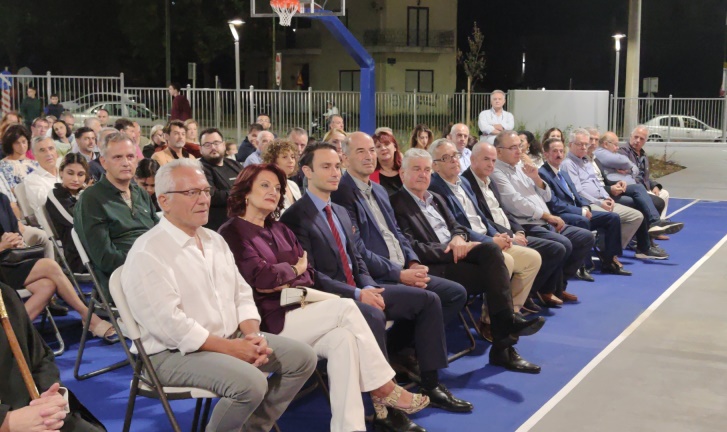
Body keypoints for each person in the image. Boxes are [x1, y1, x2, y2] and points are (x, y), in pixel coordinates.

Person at [219, 163, 429, 432]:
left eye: (278, 188)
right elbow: (262, 279)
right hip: (270, 321)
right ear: (246, 191)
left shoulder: (280, 229)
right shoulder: (232, 232)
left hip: (304, 306)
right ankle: (384, 387)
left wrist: (287, 275)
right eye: (264, 185)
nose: (273, 191)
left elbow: (307, 274)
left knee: (343, 340)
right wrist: (293, 270)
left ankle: (350, 428)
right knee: (347, 308)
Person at [122, 159, 317, 432]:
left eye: (205, 191)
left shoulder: (214, 240)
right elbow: (171, 326)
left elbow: (241, 293)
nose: (204, 200)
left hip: (229, 337)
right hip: (170, 354)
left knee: (303, 358)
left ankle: (251, 428)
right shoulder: (149, 252)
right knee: (251, 383)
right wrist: (231, 348)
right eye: (192, 192)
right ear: (164, 201)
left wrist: (252, 335)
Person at [280, 143, 474, 413]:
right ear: (307, 172)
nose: (335, 173)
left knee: (429, 300)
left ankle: (431, 383)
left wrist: (369, 286)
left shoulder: (339, 211)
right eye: (326, 167)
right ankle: (386, 405)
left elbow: (358, 258)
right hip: (331, 298)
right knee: (373, 314)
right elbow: (312, 275)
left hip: (363, 287)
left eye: (337, 166)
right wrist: (358, 293)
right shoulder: (295, 217)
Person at [390, 148, 545, 373]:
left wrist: (458, 239)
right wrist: (451, 249)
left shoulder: (436, 198)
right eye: (416, 169)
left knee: (491, 251)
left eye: (426, 169)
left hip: (457, 254)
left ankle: (504, 332)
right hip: (436, 264)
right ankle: (504, 340)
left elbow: (458, 226)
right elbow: (411, 246)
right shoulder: (396, 203)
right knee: (495, 271)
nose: (423, 174)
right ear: (402, 174)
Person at [332, 132, 468, 326]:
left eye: (371, 150)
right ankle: (407, 342)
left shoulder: (379, 190)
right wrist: (399, 274)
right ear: (345, 159)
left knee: (456, 293)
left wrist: (412, 262)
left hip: (402, 267)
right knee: (431, 300)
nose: (369, 156)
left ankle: (406, 341)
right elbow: (357, 249)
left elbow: (397, 232)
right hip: (378, 276)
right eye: (361, 151)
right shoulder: (341, 193)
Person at [426, 138, 543, 315]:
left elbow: (482, 217)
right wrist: (490, 240)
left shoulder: (463, 182)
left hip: (488, 237)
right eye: (446, 158)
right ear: (435, 166)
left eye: (455, 155)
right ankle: (492, 318)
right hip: (470, 244)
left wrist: (498, 235)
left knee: (532, 259)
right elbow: (456, 227)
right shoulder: (434, 189)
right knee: (505, 260)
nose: (454, 160)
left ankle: (512, 310)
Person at [490, 130, 594, 306]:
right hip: (526, 223)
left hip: (544, 220)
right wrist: (547, 216)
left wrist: (536, 178)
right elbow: (515, 203)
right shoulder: (497, 172)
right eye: (513, 148)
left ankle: (558, 286)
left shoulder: (520, 167)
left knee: (585, 237)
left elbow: (546, 196)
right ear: (499, 151)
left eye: (520, 146)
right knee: (562, 245)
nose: (519, 151)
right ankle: (534, 290)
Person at [462, 142, 566, 315]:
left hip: (510, 231)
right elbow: (483, 220)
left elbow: (504, 211)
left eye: (493, 160)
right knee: (553, 248)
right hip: (493, 237)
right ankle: (506, 311)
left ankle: (516, 306)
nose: (491, 164)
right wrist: (507, 236)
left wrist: (518, 231)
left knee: (556, 248)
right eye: (486, 159)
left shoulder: (489, 181)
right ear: (473, 160)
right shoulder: (467, 183)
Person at [1, 191, 116, 341]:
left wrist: (18, 241)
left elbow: (15, 230)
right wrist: (2, 246)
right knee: (50, 266)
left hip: (10, 261)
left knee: (47, 286)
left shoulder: (2, 199)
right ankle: (88, 316)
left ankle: (11, 333)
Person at [0, 281, 107, 432]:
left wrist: (50, 396)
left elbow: (40, 358)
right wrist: (8, 422)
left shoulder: (5, 295)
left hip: (35, 411)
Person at [74, 132, 158, 301]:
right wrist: (146, 264)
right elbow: (105, 258)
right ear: (103, 162)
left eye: (130, 156)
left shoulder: (141, 193)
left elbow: (159, 233)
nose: (126, 162)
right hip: (123, 279)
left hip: (156, 270)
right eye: (118, 157)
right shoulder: (91, 199)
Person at [559, 128, 665, 263]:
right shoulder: (569, 164)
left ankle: (610, 249)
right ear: (570, 145)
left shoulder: (586, 161)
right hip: (588, 204)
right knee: (630, 206)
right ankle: (612, 254)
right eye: (580, 144)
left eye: (586, 144)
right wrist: (601, 201)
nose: (585, 147)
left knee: (637, 216)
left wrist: (606, 196)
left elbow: (597, 183)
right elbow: (578, 192)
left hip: (604, 197)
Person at [538, 137, 630, 275]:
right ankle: (582, 265)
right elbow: (555, 204)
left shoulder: (562, 173)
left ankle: (609, 260)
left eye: (561, 151)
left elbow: (576, 195)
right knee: (582, 220)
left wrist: (585, 206)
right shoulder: (543, 174)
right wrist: (581, 211)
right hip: (559, 215)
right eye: (555, 151)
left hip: (575, 210)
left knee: (612, 218)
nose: (559, 154)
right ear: (546, 154)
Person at [594, 131, 682, 244]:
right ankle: (649, 233)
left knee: (659, 199)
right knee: (645, 198)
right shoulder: (603, 152)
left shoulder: (641, 154)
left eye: (642, 139)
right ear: (606, 144)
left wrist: (652, 183)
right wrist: (630, 167)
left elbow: (638, 172)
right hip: (616, 187)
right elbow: (624, 162)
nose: (617, 148)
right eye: (615, 145)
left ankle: (651, 234)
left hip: (627, 186)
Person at [46, 153, 91, 274]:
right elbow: (73, 219)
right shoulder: (55, 194)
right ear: (61, 172)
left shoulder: (83, 194)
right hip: (78, 255)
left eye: (80, 174)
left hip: (94, 247)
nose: (75, 179)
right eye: (70, 173)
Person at [620, 125, 672, 218]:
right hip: (635, 188)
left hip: (644, 187)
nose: (638, 140)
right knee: (657, 200)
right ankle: (655, 222)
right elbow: (629, 175)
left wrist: (654, 185)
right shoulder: (623, 152)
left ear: (645, 141)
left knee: (664, 194)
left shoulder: (643, 154)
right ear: (631, 136)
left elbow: (644, 176)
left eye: (641, 139)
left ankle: (660, 222)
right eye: (636, 137)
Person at [198, 128, 243, 230]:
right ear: (200, 149)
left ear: (223, 145)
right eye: (207, 145)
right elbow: (212, 195)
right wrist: (241, 193)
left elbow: (251, 184)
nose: (213, 147)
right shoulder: (199, 168)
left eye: (216, 143)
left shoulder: (234, 165)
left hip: (243, 220)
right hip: (219, 226)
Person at [261, 139, 301, 213]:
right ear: (273, 161)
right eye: (285, 157)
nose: (291, 161)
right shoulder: (268, 187)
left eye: (292, 157)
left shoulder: (293, 185)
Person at [24, 137, 61, 213]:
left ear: (56, 152)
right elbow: (49, 203)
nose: (48, 153)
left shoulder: (66, 172)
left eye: (51, 148)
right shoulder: (32, 180)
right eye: (42, 150)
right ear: (34, 156)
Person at [0, 124, 39, 190]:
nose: (22, 146)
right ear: (10, 144)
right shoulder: (3, 165)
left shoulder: (36, 164)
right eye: (17, 143)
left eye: (24, 141)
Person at [370, 131, 403, 195]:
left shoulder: (406, 170)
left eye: (386, 144)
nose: (383, 148)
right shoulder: (369, 175)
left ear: (395, 147)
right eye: (378, 146)